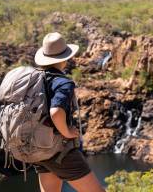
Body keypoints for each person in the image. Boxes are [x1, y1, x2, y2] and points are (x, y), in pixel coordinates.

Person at [34, 32, 106, 192]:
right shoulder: (63, 83)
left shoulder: (37, 79)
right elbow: (55, 112)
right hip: (60, 150)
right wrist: (66, 132)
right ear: (65, 58)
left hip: (39, 147)